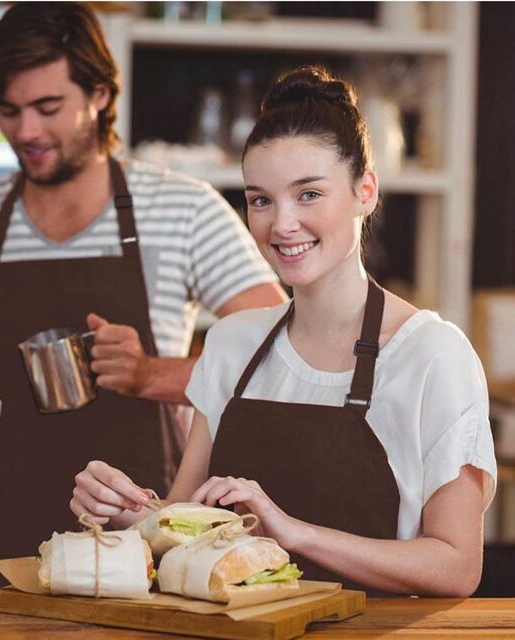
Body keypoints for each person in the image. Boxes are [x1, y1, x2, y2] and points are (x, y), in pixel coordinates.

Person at [0, 2, 286, 592]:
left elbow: (277, 360)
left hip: (143, 536)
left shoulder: (184, 210)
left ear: (101, 94)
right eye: (8, 111)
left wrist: (151, 373)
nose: (25, 132)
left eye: (47, 107)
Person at [71, 66, 498, 597]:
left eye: (309, 194)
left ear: (365, 191)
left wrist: (296, 534)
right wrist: (125, 512)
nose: (282, 224)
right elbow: (178, 530)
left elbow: (457, 567)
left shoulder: (433, 356)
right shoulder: (233, 344)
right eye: (260, 199)